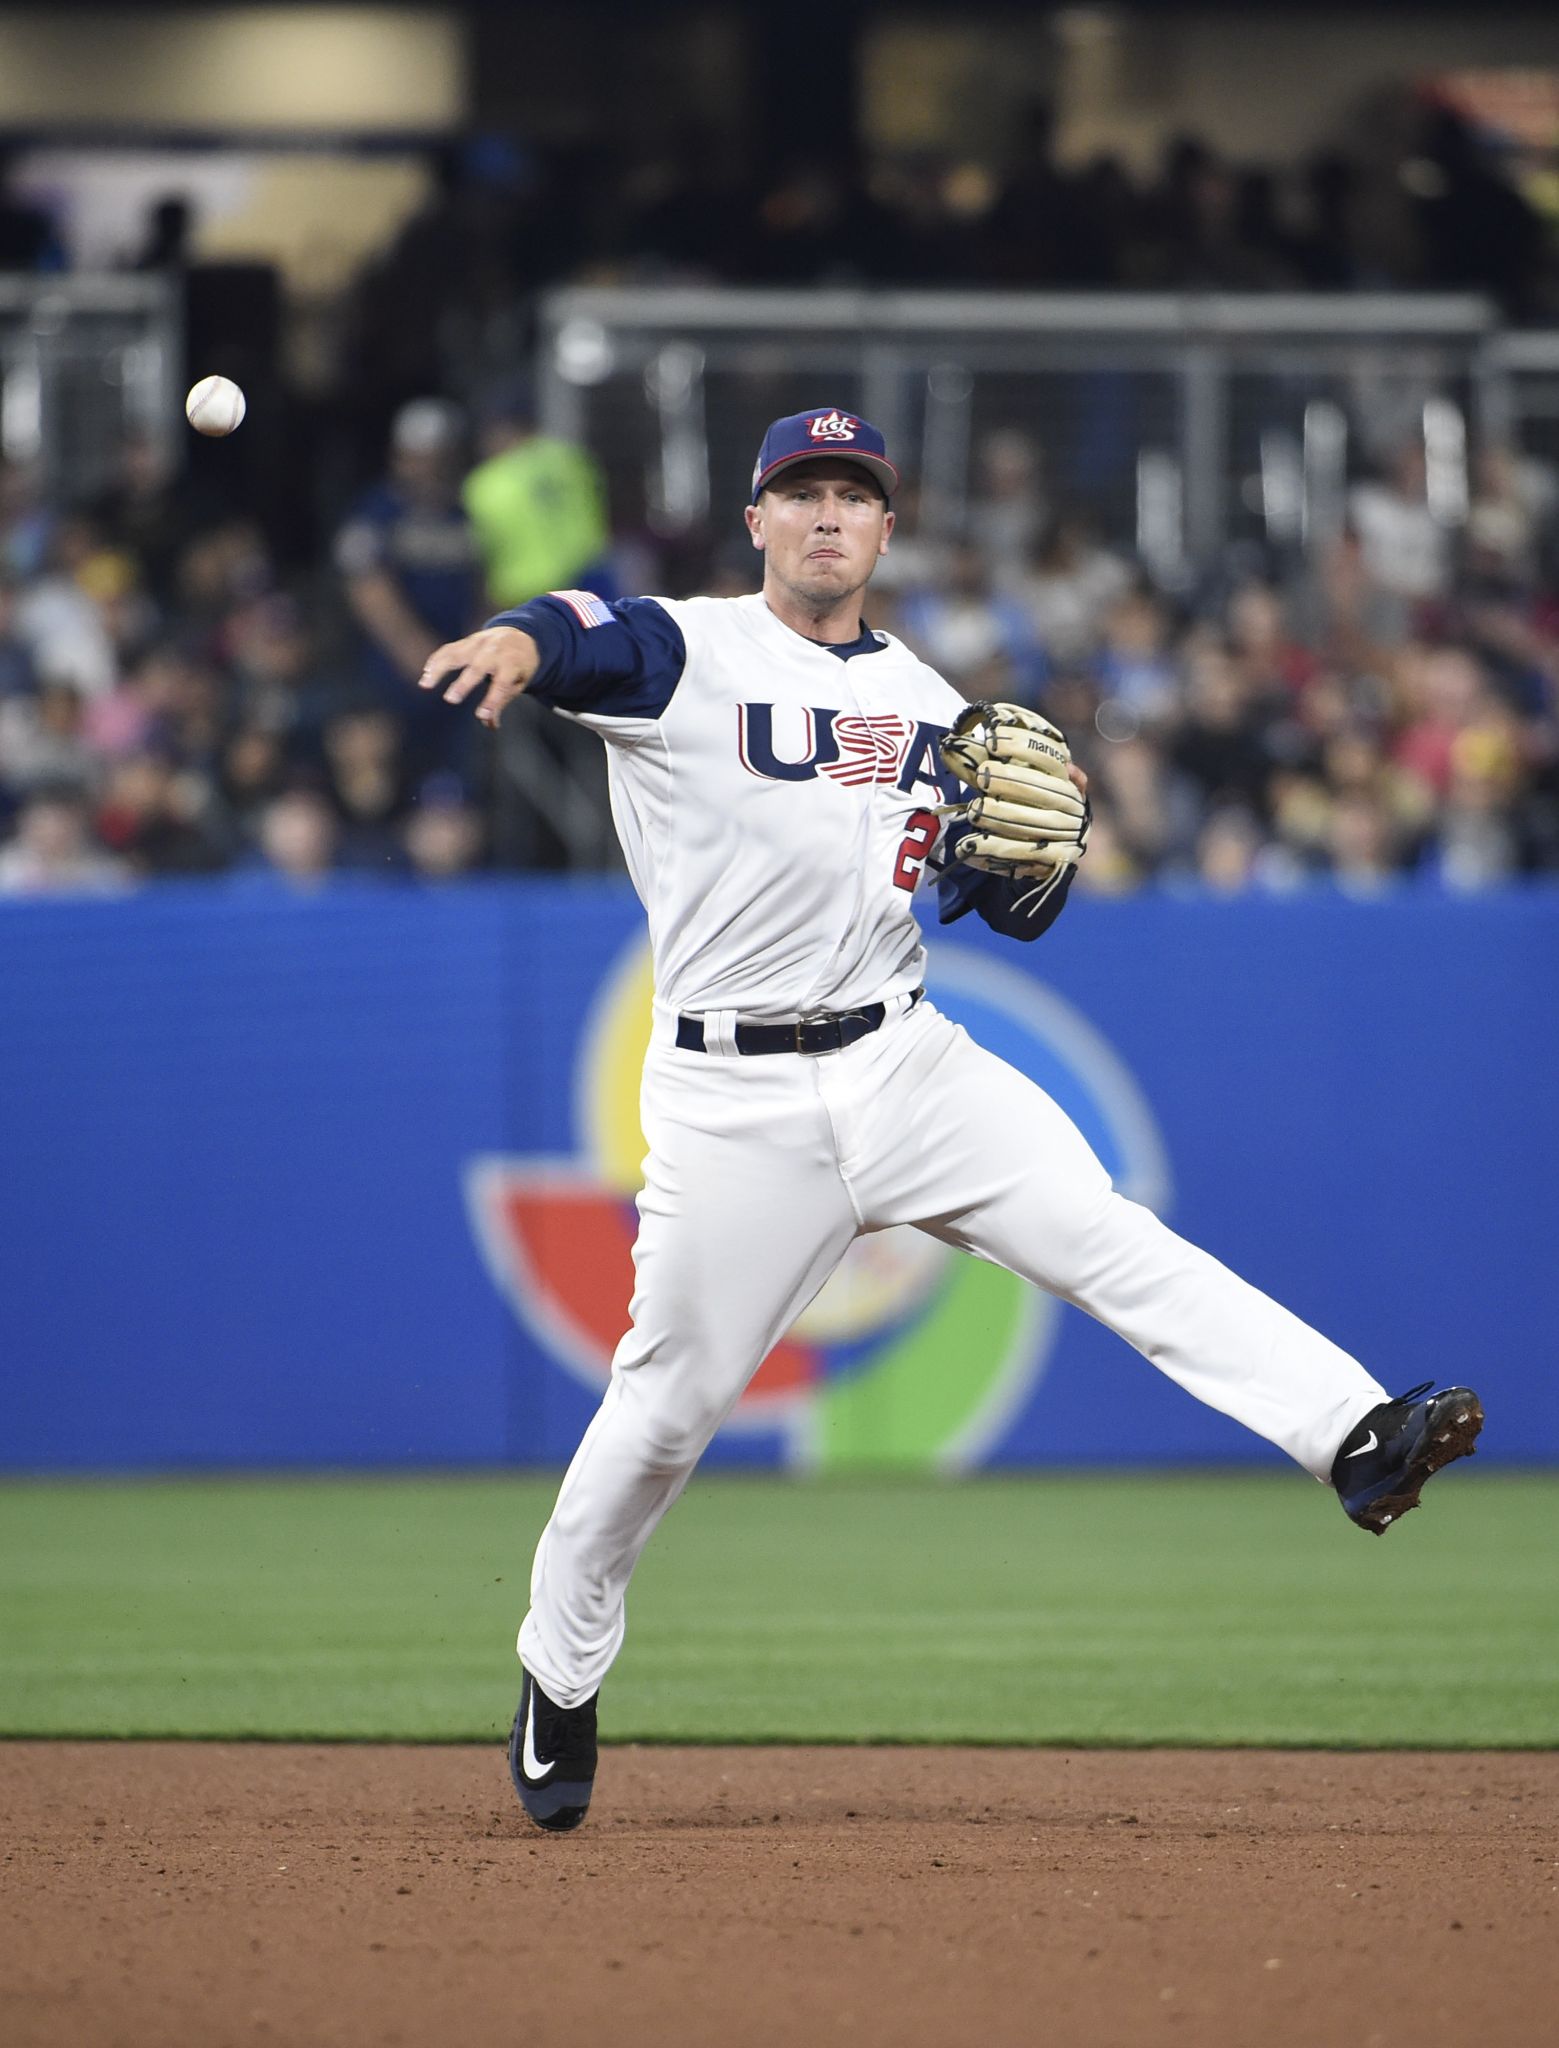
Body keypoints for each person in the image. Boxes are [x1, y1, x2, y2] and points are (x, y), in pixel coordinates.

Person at [419, 409, 1485, 1834]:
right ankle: (558, 1674)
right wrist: (513, 638)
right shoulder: (690, 648)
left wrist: (1028, 870)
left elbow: (998, 890)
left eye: (851, 496)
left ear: (885, 529)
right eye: (799, 492)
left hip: (907, 1062)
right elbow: (576, 626)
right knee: (664, 1414)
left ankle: (1353, 1434)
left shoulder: (933, 704)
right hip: (735, 1100)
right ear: (756, 520)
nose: (824, 517)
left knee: (1105, 1234)